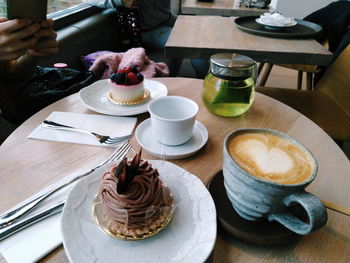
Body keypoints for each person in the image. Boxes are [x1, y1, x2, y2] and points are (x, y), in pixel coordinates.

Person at [84, 0, 182, 76]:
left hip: (161, 26)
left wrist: (185, 23)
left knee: (195, 40)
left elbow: (164, 15)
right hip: (135, 34)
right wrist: (120, 1)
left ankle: (197, 84)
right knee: (186, 41)